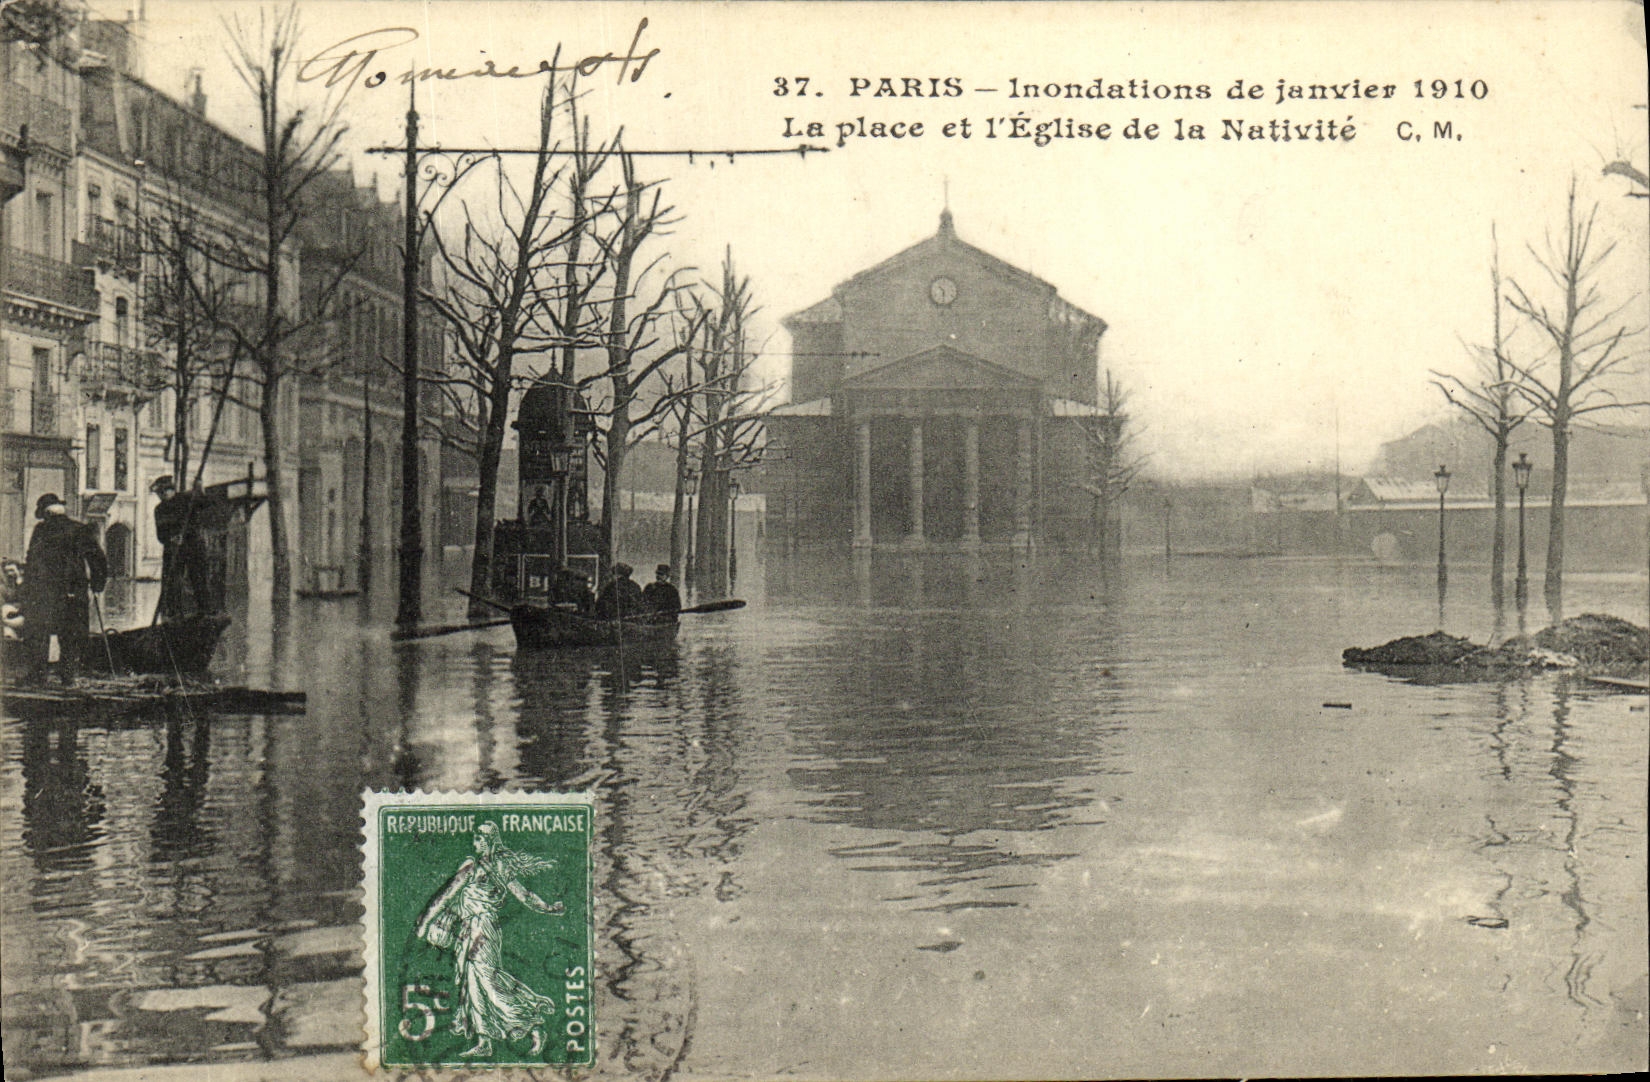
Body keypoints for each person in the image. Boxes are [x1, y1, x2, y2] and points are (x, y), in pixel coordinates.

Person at [414, 821, 565, 1058]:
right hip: (478, 928)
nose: (474, 844)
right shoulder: (500, 868)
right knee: (472, 983)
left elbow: (445, 895)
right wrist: (547, 908)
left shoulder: (474, 867)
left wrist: (424, 923)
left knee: (487, 981)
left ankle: (532, 1025)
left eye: (478, 839)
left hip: (481, 929)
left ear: (489, 841)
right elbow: (525, 896)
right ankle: (484, 1041)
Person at [22, 494, 108, 683]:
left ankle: (38, 675)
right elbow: (97, 559)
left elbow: (31, 561)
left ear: (46, 513)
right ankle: (68, 675)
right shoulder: (79, 529)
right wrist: (97, 583)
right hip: (73, 590)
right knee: (71, 633)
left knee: (39, 633)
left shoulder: (41, 530)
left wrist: (27, 589)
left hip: (46, 591)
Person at [151, 476, 212, 620]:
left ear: (172, 490)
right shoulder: (159, 510)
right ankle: (173, 615)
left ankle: (204, 612)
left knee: (198, 578)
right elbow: (161, 535)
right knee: (171, 582)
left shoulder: (187, 499)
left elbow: (206, 504)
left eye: (165, 491)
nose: (163, 495)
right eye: (160, 493)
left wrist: (200, 490)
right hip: (173, 549)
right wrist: (171, 538)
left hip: (193, 546)